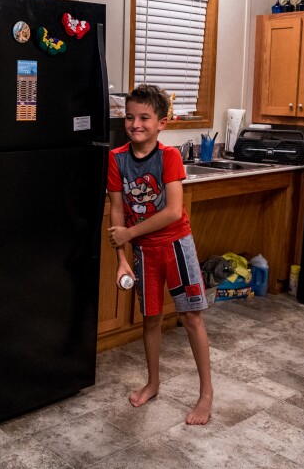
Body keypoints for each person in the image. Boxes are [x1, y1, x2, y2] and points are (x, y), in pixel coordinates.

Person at [106, 84, 213, 425]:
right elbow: (117, 212)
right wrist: (123, 256)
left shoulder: (169, 157)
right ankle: (153, 383)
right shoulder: (116, 158)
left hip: (176, 246)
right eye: (129, 117)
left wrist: (129, 235)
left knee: (191, 318)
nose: (135, 124)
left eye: (144, 118)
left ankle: (206, 395)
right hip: (141, 253)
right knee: (150, 319)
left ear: (161, 123)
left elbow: (172, 211)